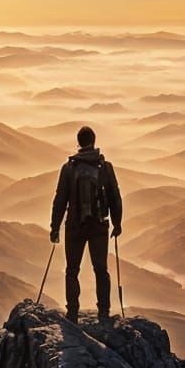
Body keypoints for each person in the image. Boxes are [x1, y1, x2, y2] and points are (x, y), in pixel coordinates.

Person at [49, 125, 123, 322]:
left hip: (74, 225)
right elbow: (115, 197)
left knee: (72, 270)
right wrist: (117, 224)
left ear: (78, 142)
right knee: (101, 269)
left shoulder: (69, 168)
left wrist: (54, 228)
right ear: (94, 141)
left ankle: (72, 313)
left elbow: (60, 199)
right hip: (99, 225)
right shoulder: (105, 167)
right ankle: (104, 312)